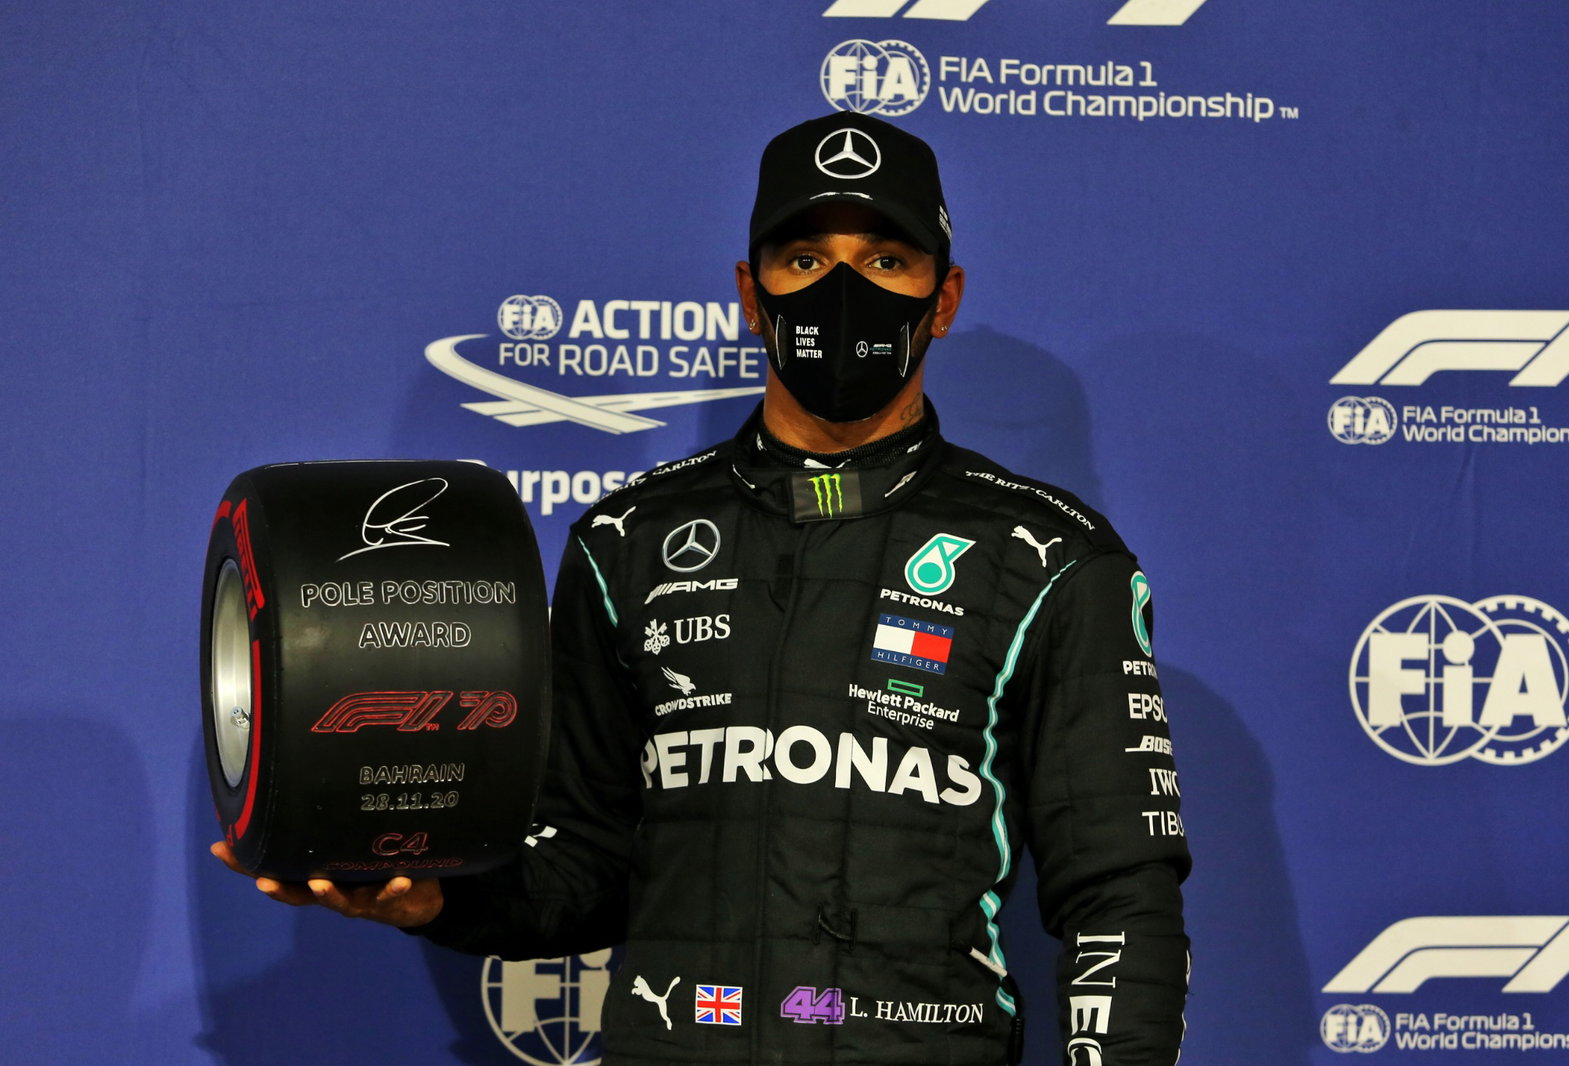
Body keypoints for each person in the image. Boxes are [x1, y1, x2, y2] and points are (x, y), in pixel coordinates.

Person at [215, 111, 1190, 1065]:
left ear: (944, 296)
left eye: (885, 260)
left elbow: (1120, 897)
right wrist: (440, 896)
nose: (842, 291)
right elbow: (584, 866)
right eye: (804, 259)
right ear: (748, 292)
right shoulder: (625, 542)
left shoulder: (1050, 555)